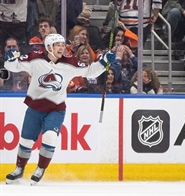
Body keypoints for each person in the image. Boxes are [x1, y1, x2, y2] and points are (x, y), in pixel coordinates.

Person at [4, 34, 116, 185]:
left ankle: (40, 168)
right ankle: (19, 168)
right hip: (35, 107)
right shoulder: (34, 58)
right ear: (49, 47)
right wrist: (10, 59)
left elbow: (90, 71)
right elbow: (13, 66)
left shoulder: (70, 62)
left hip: (56, 109)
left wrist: (103, 62)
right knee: (26, 140)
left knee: (50, 136)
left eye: (63, 45)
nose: (62, 48)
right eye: (58, 45)